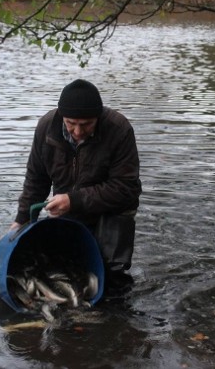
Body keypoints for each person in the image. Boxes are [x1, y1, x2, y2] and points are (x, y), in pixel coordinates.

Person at [10, 78, 142, 297]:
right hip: (69, 207)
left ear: (98, 118)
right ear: (62, 116)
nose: (78, 131)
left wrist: (74, 199)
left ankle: (116, 313)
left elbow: (125, 188)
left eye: (86, 124)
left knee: (112, 277)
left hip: (114, 210)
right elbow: (36, 179)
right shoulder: (46, 128)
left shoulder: (119, 129)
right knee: (64, 266)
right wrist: (22, 218)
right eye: (71, 123)